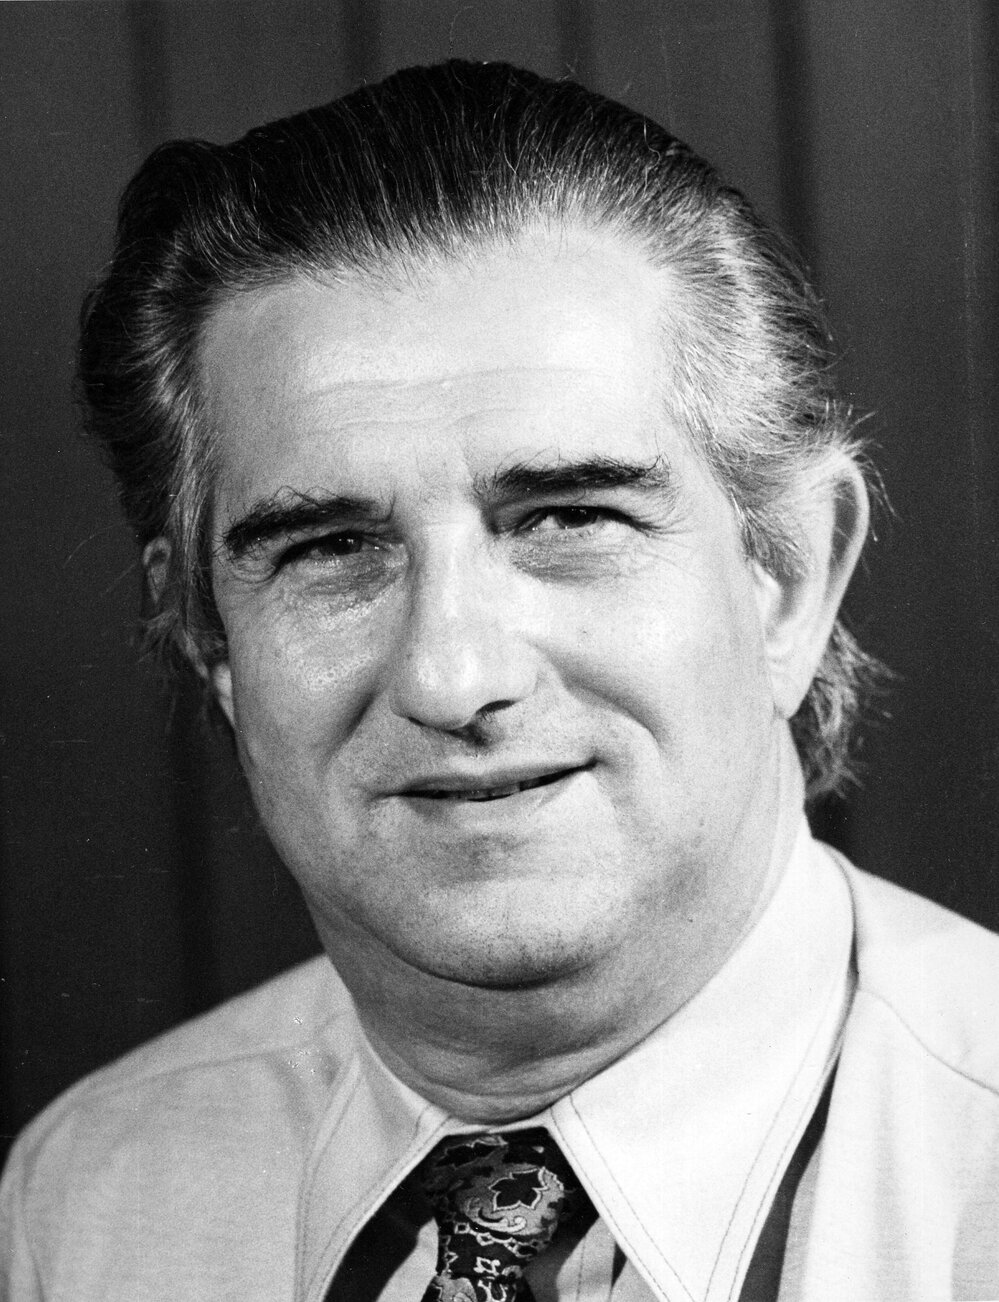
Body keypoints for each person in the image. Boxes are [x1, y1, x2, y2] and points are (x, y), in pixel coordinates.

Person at [1, 59, 997, 1302]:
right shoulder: (87, 1203)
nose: (452, 674)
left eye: (569, 518)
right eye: (331, 549)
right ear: (210, 640)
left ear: (788, 578)